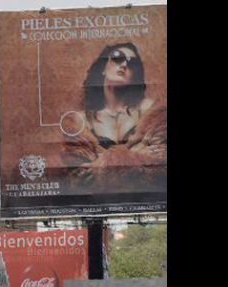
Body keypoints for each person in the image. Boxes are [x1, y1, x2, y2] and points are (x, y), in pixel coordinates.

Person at [61, 42, 166, 190]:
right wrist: (136, 155)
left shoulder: (153, 112)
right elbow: (79, 179)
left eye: (132, 64)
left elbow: (160, 169)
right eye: (117, 58)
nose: (124, 65)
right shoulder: (78, 121)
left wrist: (100, 166)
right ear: (103, 67)